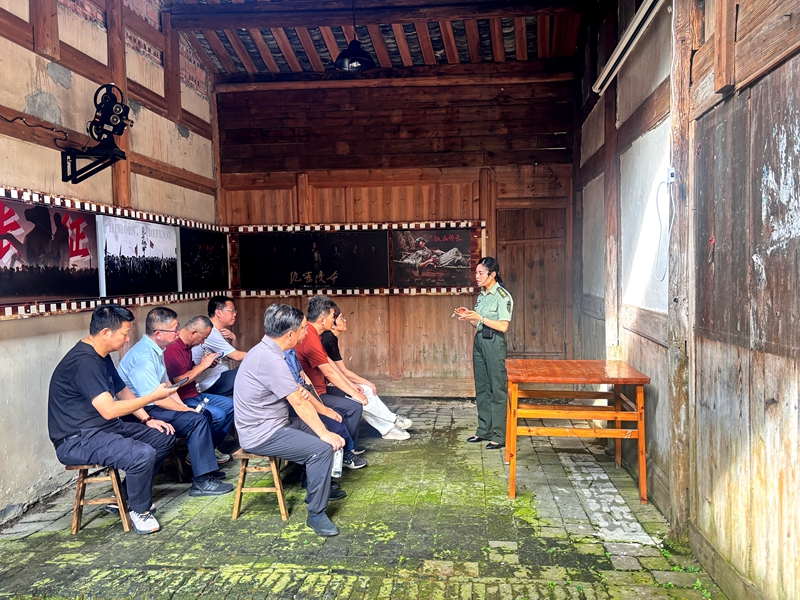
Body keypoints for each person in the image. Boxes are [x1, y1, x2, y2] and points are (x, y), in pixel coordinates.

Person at [48, 304, 176, 535]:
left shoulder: (101, 356)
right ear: (106, 332)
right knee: (141, 454)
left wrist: (147, 419)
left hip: (104, 429)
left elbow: (121, 390)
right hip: (77, 439)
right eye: (124, 334)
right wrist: (152, 397)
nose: (127, 340)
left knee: (162, 436)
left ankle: (126, 497)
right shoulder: (84, 362)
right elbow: (109, 410)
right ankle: (140, 511)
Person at [233, 303, 346, 536]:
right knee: (321, 449)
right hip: (262, 433)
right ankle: (316, 514)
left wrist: (322, 422)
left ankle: (317, 485)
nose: (307, 332)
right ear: (290, 335)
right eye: (304, 328)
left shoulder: (269, 352)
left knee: (326, 427)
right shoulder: (270, 359)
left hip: (276, 422)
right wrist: (323, 433)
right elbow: (298, 402)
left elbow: (294, 390)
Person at [119, 307, 234, 497]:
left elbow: (168, 387)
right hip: (141, 411)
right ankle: (202, 482)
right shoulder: (144, 358)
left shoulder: (156, 350)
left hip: (155, 404)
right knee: (197, 420)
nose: (178, 332)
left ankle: (203, 472)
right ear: (158, 333)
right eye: (174, 329)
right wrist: (186, 411)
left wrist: (184, 408)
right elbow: (157, 399)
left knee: (201, 415)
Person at [295, 295, 367, 469]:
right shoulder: (310, 338)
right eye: (332, 316)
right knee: (353, 407)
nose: (334, 320)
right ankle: (345, 453)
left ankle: (347, 448)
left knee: (352, 402)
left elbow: (329, 364)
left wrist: (351, 387)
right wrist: (354, 393)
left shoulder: (315, 334)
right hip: (315, 394)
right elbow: (329, 372)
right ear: (322, 319)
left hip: (321, 388)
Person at [322, 305, 412, 440]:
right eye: (341, 318)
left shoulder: (330, 338)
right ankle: (391, 421)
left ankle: (389, 428)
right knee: (362, 394)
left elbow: (340, 370)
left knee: (366, 391)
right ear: (332, 323)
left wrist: (364, 384)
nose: (345, 321)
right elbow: (340, 372)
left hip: (334, 380)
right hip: (327, 384)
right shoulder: (327, 338)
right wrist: (362, 383)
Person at [455, 257, 514, 450]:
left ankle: (499, 434)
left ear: (492, 274)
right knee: (482, 387)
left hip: (494, 343)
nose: (477, 276)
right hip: (480, 340)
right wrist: (469, 316)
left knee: (497, 388)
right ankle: (484, 430)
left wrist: (480, 317)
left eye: (481, 273)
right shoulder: (482, 295)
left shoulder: (502, 296)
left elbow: (503, 326)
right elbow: (478, 324)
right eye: (476, 273)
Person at [163, 315, 235, 462]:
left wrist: (205, 365)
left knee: (231, 405)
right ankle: (198, 454)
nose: (202, 343)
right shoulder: (172, 348)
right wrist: (202, 366)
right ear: (193, 333)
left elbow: (189, 371)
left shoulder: (188, 346)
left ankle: (210, 448)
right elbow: (179, 381)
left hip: (195, 394)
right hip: (182, 399)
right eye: (203, 338)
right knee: (218, 415)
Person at [191, 296, 246, 397]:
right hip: (210, 383)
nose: (235, 314)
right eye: (231, 310)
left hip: (219, 378)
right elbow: (236, 356)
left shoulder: (219, 331)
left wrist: (233, 338)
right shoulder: (211, 332)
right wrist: (262, 354)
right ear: (218, 313)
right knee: (249, 370)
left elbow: (231, 354)